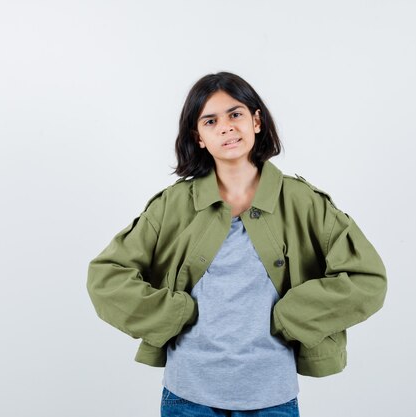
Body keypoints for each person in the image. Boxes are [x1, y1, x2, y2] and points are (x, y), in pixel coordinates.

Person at [87, 72, 387, 416]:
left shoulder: (303, 202)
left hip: (272, 396)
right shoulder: (172, 205)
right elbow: (106, 276)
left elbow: (368, 280)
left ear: (256, 120)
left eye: (235, 114)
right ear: (198, 137)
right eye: (210, 121)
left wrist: (294, 315)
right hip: (187, 396)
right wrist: (171, 314)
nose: (226, 127)